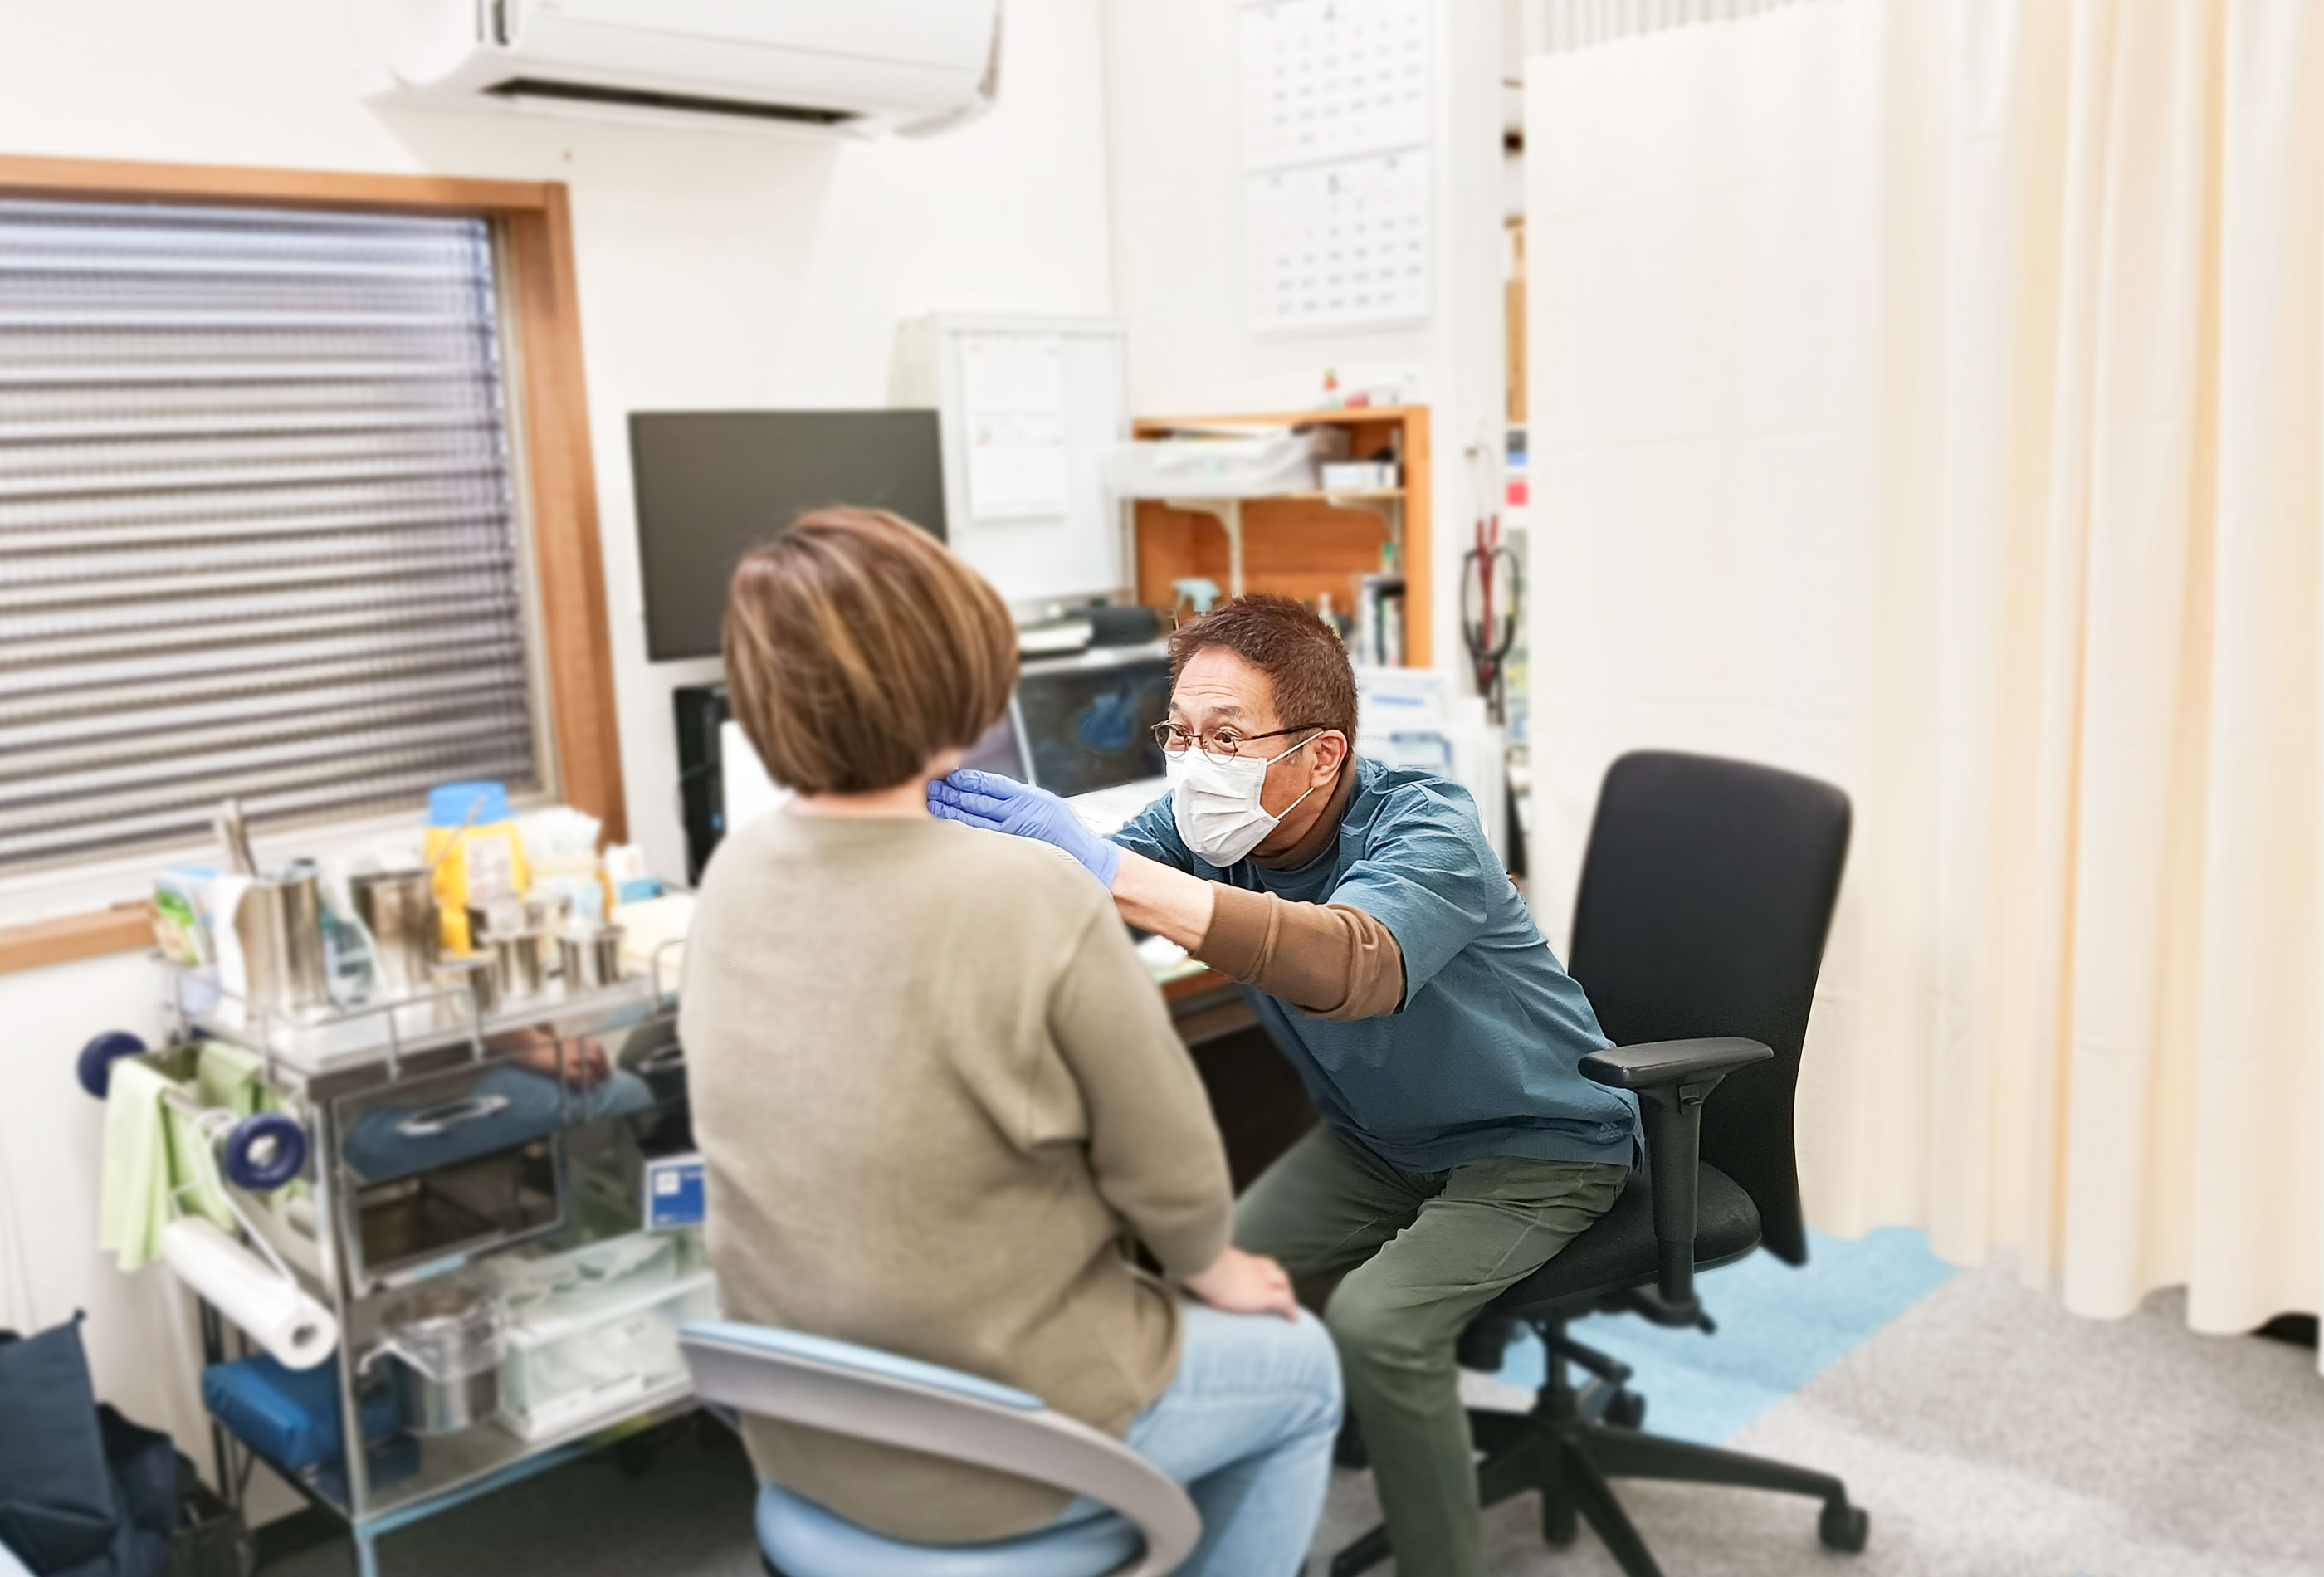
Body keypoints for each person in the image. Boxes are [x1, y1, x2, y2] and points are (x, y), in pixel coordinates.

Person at [930, 592, 1643, 1577]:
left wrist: (1107, 870)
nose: (1194, 763)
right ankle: (1240, 1534)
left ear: (1321, 755)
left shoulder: (1425, 825)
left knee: (1377, 1328)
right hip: (1380, 1142)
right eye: (1180, 733)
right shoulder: (1211, 829)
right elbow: (1088, 897)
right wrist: (980, 865)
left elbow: (1349, 964)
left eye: (1226, 737)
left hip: (1536, 1146)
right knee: (1201, 1285)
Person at [681, 513, 1341, 1575]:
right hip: (1002, 1448)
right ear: (959, 680)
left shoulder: (735, 873)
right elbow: (1167, 1163)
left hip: (806, 1426)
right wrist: (1210, 1266)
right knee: (1300, 1366)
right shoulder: (1026, 891)